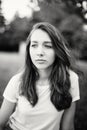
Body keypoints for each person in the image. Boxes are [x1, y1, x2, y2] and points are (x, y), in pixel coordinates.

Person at [0, 22, 80, 130]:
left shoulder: (70, 79)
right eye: (34, 45)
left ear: (57, 50)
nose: (40, 52)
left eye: (48, 46)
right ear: (29, 50)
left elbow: (68, 126)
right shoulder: (17, 81)